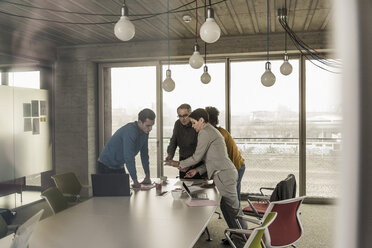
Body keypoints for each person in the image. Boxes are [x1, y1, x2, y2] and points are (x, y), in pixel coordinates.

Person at [165, 108, 247, 231]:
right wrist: (197, 170)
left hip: (224, 175)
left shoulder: (204, 132)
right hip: (225, 173)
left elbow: (196, 157)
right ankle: (241, 238)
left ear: (201, 120)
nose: (192, 126)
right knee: (232, 210)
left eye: (193, 123)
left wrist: (177, 163)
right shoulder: (210, 131)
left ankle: (247, 241)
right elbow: (212, 159)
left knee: (235, 212)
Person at [97, 108, 156, 188]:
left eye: (152, 125)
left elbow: (144, 155)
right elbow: (129, 157)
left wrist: (147, 176)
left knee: (124, 193)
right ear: (140, 122)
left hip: (119, 165)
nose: (150, 129)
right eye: (148, 125)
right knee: (108, 197)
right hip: (106, 165)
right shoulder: (130, 131)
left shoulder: (145, 132)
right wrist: (135, 181)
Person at [205, 106, 246, 200]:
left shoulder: (219, 135)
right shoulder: (215, 133)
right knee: (229, 200)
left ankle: (236, 214)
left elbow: (220, 161)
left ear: (213, 122)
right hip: (232, 167)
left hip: (236, 167)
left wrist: (214, 182)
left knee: (231, 200)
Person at [165, 104, 205, 179]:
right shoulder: (177, 124)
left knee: (199, 187)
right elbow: (173, 140)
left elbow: (201, 149)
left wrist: (191, 165)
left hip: (197, 161)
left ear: (191, 114)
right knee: (184, 185)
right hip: (183, 160)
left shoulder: (197, 125)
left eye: (185, 115)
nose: (182, 119)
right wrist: (170, 154)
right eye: (180, 116)